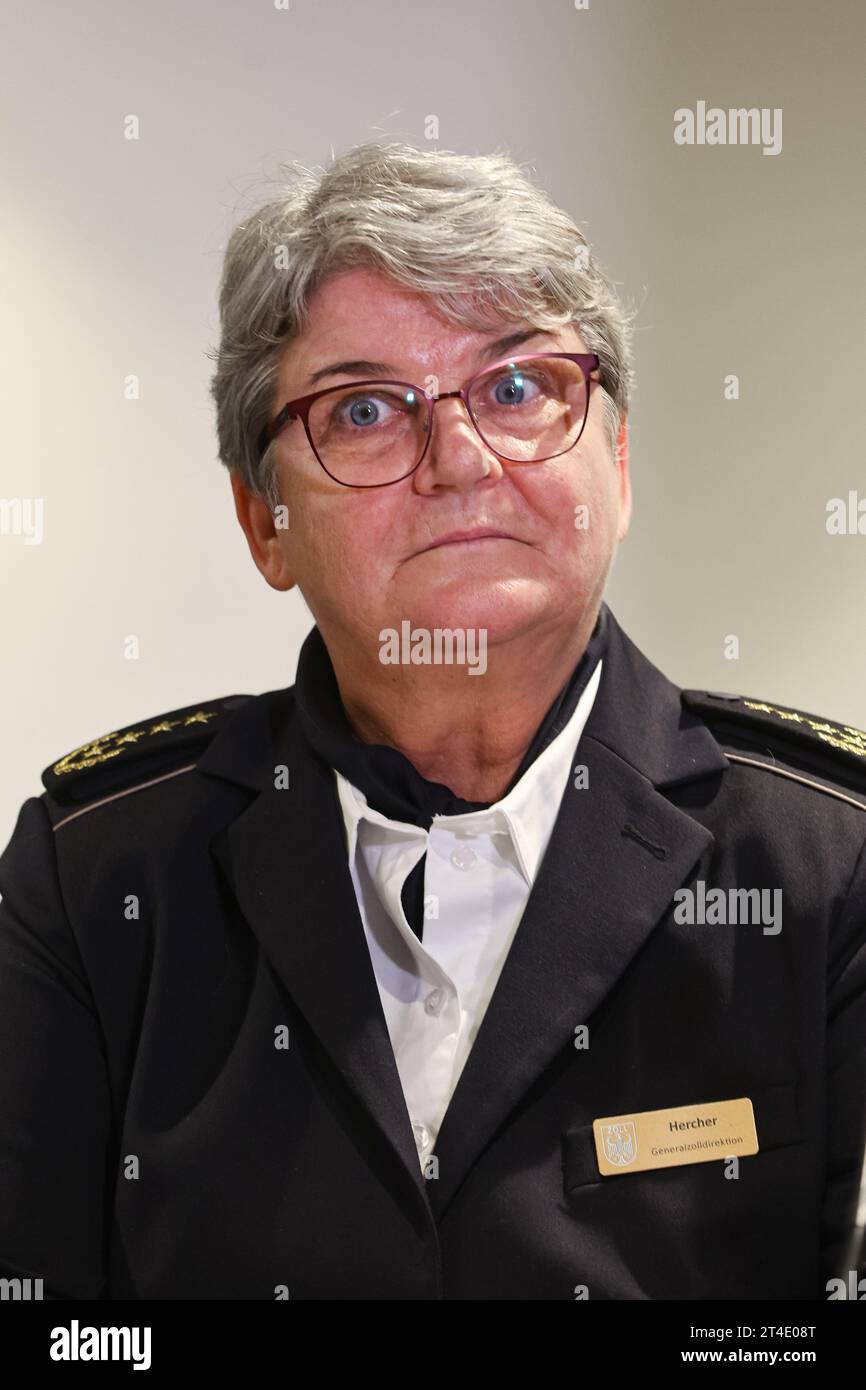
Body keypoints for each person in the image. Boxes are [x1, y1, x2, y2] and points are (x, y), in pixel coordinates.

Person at [1, 141, 864, 1301]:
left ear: (615, 456)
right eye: (364, 408)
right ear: (263, 522)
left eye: (518, 387)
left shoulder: (829, 860)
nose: (459, 458)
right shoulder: (93, 872)